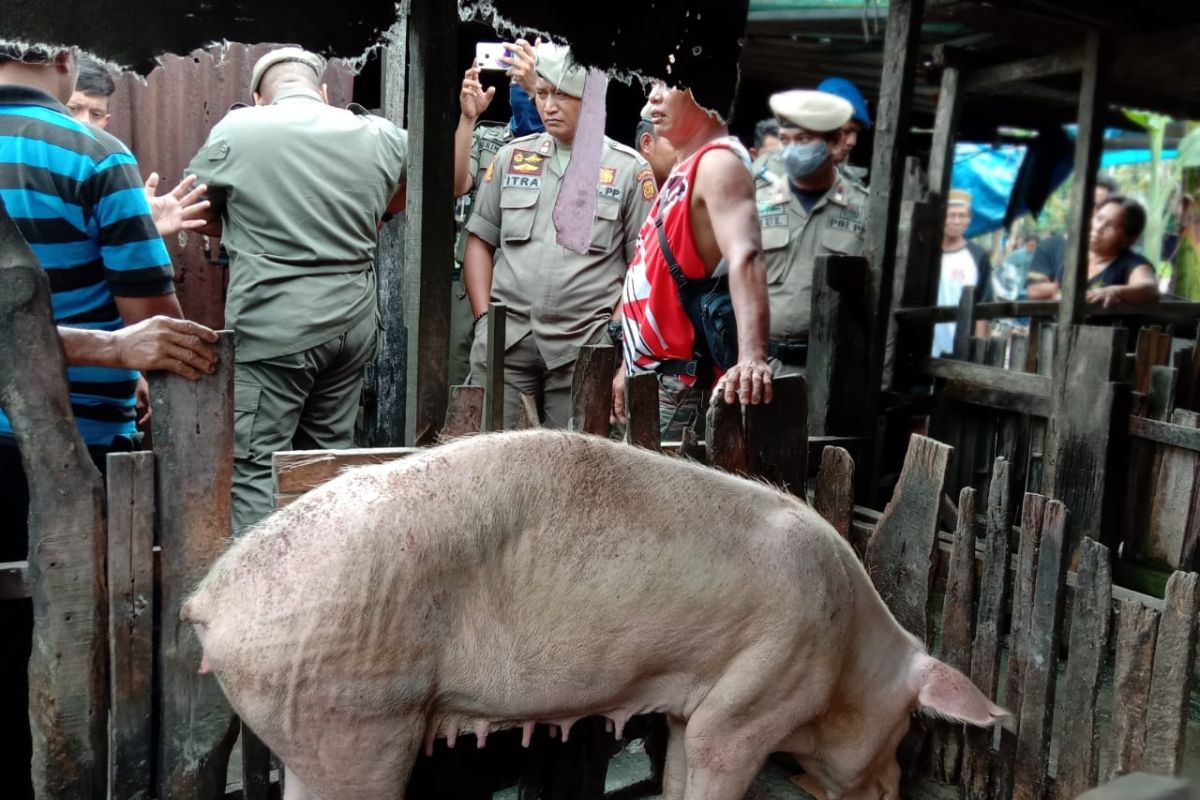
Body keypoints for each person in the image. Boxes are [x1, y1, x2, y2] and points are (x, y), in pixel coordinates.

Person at [0, 41, 210, 799]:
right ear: (64, 56)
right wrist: (114, 347)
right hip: (76, 449)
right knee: (70, 656)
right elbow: (160, 332)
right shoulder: (92, 156)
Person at [186, 46, 408, 534]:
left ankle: (258, 599)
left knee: (256, 468)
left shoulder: (239, 130)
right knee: (327, 463)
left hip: (274, 328)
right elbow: (406, 196)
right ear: (322, 91)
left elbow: (191, 207)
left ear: (259, 97)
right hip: (351, 325)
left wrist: (248, 227)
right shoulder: (380, 134)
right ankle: (328, 586)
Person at [463, 44, 656, 429]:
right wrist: (484, 318)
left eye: (563, 96)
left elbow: (644, 269)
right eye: (543, 93)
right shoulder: (512, 158)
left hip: (583, 348)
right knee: (497, 465)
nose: (548, 106)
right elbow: (479, 242)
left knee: (571, 470)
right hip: (506, 345)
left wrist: (613, 333)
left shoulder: (628, 170)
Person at [615, 79, 773, 431]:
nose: (653, 95)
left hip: (680, 385)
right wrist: (627, 363)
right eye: (653, 84)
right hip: (653, 376)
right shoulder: (684, 166)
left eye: (668, 84)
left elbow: (746, 255)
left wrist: (751, 356)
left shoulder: (718, 163)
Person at [753, 89, 868, 379]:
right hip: (763, 366)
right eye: (784, 140)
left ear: (833, 142)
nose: (791, 150)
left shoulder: (864, 209)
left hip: (833, 369)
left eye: (803, 140)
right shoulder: (757, 202)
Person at [450, 42, 545, 386]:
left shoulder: (567, 143)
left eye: (532, 84)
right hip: (481, 286)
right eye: (517, 84)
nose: (525, 93)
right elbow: (457, 183)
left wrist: (539, 90)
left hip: (538, 288)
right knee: (469, 383)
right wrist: (467, 118)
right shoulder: (491, 139)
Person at [68, 55, 211, 240]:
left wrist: (140, 228)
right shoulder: (27, 161)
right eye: (72, 109)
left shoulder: (113, 171)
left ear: (106, 120)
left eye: (96, 114)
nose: (85, 121)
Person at [1027, 195, 1158, 308]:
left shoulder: (1131, 263)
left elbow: (1150, 289)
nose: (1098, 228)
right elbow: (1044, 294)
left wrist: (1116, 291)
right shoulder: (1073, 259)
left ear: (1128, 237)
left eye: (1111, 225)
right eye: (1099, 218)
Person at [1027, 173, 1118, 298]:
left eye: (1100, 207)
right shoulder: (1049, 246)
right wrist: (1088, 288)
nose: (1092, 212)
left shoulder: (1116, 250)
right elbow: (1034, 290)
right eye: (1087, 204)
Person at [932, 189, 992, 356]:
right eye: (951, 215)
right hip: (927, 344)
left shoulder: (977, 256)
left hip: (961, 348)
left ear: (969, 219)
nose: (957, 221)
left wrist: (978, 351)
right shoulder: (927, 253)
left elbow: (983, 306)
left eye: (962, 216)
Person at [816, 76, 871, 185]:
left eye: (856, 133)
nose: (852, 142)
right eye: (845, 131)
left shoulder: (852, 184)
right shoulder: (779, 173)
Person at [635, 114, 678, 187]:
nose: (683, 153)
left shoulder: (677, 188)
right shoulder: (621, 181)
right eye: (675, 144)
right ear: (646, 143)